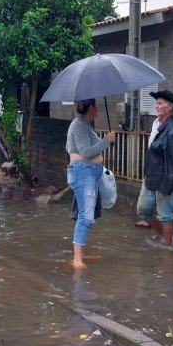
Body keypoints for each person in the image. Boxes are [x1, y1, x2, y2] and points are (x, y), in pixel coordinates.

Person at [137, 90, 173, 246]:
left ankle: (167, 249)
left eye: (160, 103)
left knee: (166, 215)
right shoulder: (156, 123)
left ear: (169, 107)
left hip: (166, 177)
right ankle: (163, 236)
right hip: (152, 174)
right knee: (143, 210)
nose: (157, 106)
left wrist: (168, 183)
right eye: (157, 103)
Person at [66, 98, 116, 269]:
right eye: (96, 105)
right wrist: (106, 141)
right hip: (83, 174)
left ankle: (80, 254)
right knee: (86, 217)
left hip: (88, 174)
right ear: (91, 107)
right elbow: (86, 152)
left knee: (88, 214)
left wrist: (105, 142)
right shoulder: (79, 125)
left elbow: (85, 149)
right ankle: (77, 260)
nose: (99, 108)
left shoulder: (85, 124)